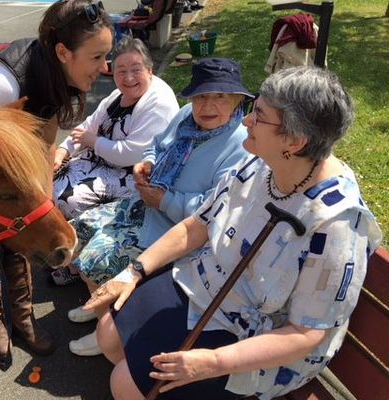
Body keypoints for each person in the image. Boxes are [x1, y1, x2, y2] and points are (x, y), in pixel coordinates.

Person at [85, 66, 382, 399]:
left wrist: (211, 362)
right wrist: (133, 271)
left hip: (257, 338)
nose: (245, 122)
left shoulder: (337, 224)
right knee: (108, 334)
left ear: (295, 142)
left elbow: (306, 333)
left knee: (124, 384)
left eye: (259, 116)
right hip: (208, 285)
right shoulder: (257, 163)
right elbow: (197, 225)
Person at [0, 0, 113, 366]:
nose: (105, 68)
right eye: (96, 57)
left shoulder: (56, 75)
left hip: (0, 161)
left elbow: (45, 141)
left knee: (21, 236)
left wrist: (41, 203)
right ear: (64, 52)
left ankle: (24, 318)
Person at [63, 58, 253, 356]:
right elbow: (158, 144)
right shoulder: (187, 115)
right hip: (144, 205)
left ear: (238, 100)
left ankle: (108, 327)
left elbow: (212, 212)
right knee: (78, 231)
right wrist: (147, 162)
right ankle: (100, 302)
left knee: (99, 259)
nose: (208, 106)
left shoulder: (240, 145)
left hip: (172, 230)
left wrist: (165, 200)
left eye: (220, 97)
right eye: (202, 96)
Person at [52, 36, 179, 221]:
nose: (128, 78)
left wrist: (94, 141)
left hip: (132, 176)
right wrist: (63, 150)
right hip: (101, 163)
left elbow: (132, 155)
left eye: (136, 70)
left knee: (67, 199)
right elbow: (89, 125)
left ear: (149, 71)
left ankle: (74, 236)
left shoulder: (159, 103)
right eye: (121, 71)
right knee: (47, 178)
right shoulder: (118, 94)